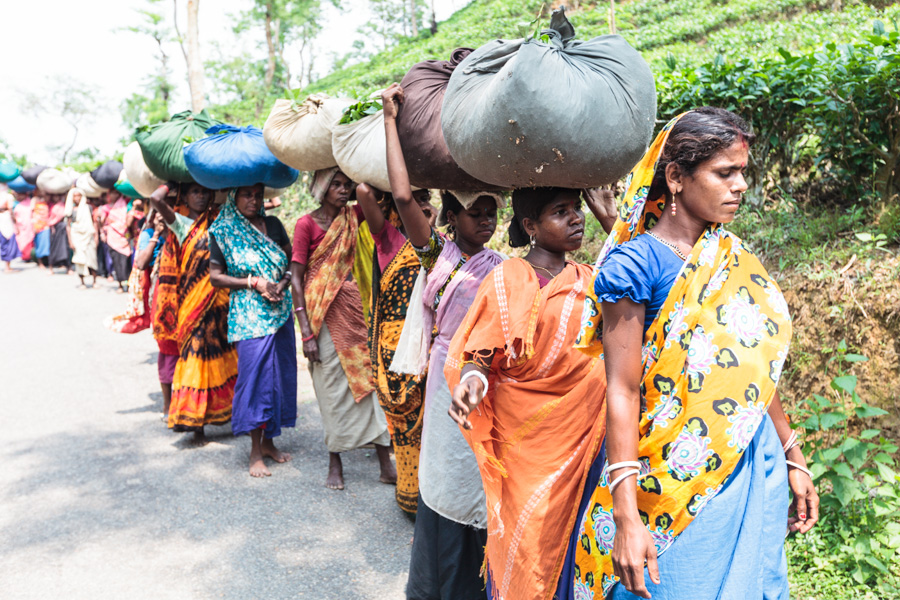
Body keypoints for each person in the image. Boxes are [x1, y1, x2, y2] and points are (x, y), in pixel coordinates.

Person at [570, 108, 819, 600]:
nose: (740, 185)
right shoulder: (635, 265)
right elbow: (620, 388)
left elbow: (752, 371)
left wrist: (793, 453)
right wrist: (625, 513)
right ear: (677, 178)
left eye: (742, 172)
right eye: (725, 173)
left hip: (749, 459)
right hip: (668, 476)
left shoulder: (730, 255)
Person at [443, 183, 617, 600]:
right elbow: (481, 354)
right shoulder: (510, 278)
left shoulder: (590, 277)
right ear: (530, 225)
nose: (576, 218)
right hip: (525, 446)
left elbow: (648, 297)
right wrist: (470, 386)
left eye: (576, 209)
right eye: (560, 211)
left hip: (584, 438)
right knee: (528, 544)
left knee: (577, 539)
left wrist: (610, 217)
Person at [380, 83, 507, 600]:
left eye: (491, 212)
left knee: (477, 480)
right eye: (474, 212)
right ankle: (435, 585)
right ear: (451, 217)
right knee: (445, 479)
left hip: (483, 383)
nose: (484, 220)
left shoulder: (507, 270)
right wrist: (390, 118)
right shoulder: (439, 256)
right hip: (443, 382)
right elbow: (404, 195)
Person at [289, 167, 395, 490]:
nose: (342, 189)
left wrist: (355, 167)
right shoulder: (305, 225)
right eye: (335, 184)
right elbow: (296, 278)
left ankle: (383, 462)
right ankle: (335, 461)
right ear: (321, 187)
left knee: (367, 383)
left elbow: (372, 192)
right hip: (319, 317)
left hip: (351, 310)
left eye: (345, 184)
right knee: (330, 389)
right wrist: (306, 333)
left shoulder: (354, 216)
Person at [356, 183, 436, 515]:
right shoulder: (387, 237)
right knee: (404, 427)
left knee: (430, 425)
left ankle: (432, 499)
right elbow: (362, 190)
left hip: (428, 346)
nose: (421, 205)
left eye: (426, 198)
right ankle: (409, 496)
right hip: (394, 351)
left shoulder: (438, 243)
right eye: (413, 200)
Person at [209, 184, 296, 477]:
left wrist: (280, 285)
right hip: (248, 315)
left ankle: (270, 442)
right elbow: (216, 277)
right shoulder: (223, 231)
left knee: (277, 377)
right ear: (234, 197)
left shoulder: (273, 224)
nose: (254, 200)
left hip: (280, 310)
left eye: (258, 195)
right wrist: (254, 283)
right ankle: (255, 452)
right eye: (247, 195)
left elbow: (290, 260)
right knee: (255, 379)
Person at [149, 182, 237, 443]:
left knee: (224, 357)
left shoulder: (222, 220)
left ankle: (228, 411)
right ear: (185, 196)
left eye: (205, 190)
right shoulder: (180, 224)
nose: (201, 196)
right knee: (194, 358)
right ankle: (193, 419)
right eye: (195, 191)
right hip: (192, 307)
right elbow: (155, 198)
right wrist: (171, 183)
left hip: (220, 303)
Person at [65, 187, 98, 287]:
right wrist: (70, 240)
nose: (77, 198)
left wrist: (96, 236)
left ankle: (94, 281)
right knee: (79, 260)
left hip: (89, 235)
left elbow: (94, 222)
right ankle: (82, 282)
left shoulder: (88, 208)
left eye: (78, 195)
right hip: (77, 236)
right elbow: (68, 226)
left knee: (92, 259)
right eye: (75, 196)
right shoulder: (71, 210)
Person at [104, 189, 132, 292]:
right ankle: (120, 285)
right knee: (116, 262)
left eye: (115, 193)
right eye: (111, 193)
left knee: (126, 262)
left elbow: (127, 222)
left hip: (124, 238)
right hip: (112, 238)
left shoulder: (126, 206)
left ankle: (129, 285)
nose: (113, 195)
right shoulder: (107, 207)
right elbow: (105, 223)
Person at [46, 192, 71, 274]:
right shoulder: (49, 205)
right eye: (54, 196)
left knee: (65, 247)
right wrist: (51, 223)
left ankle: (69, 267)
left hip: (62, 227)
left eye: (57, 195)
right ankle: (51, 268)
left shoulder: (63, 204)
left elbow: (62, 215)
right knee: (53, 247)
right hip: (53, 228)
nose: (56, 198)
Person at [12, 191, 35, 261]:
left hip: (29, 225)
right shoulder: (15, 204)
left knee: (29, 240)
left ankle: (28, 256)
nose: (19, 197)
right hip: (20, 226)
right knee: (22, 240)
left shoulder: (30, 202)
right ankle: (24, 256)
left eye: (21, 195)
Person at [0, 191, 20, 271]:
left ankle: (7, 266)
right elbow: (11, 210)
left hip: (2, 219)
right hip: (6, 220)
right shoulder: (8, 196)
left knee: (4, 242)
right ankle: (7, 267)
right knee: (8, 242)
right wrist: (15, 222)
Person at [32, 190, 50, 270]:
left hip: (46, 224)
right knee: (39, 244)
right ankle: (40, 263)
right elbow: (32, 213)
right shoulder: (34, 200)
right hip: (37, 225)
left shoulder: (46, 199)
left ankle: (49, 262)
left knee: (47, 244)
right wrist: (33, 226)